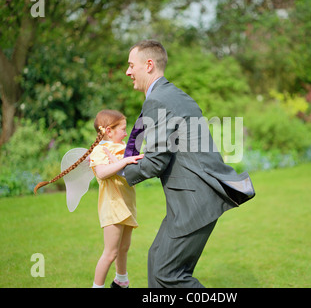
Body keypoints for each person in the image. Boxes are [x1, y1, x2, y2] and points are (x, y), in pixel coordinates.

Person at [118, 40, 255, 288]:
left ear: (148, 65)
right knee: (157, 259)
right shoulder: (174, 95)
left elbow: (156, 161)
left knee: (168, 274)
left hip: (193, 202)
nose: (128, 72)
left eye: (131, 65)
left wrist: (120, 171)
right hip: (194, 198)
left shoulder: (158, 100)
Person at [34, 109, 144, 288]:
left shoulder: (123, 148)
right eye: (122, 129)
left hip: (127, 203)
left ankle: (121, 281)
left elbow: (135, 167)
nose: (126, 132)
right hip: (112, 206)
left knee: (123, 248)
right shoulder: (100, 150)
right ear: (109, 131)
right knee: (110, 253)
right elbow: (102, 173)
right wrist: (122, 162)